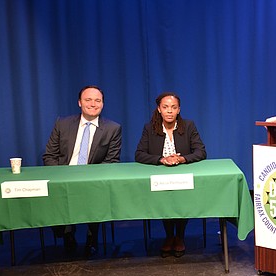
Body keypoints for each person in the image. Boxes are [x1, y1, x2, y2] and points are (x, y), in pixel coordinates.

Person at [42, 85, 122, 257]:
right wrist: (61, 176)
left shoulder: (112, 128)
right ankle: (67, 234)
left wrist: (88, 177)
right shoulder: (62, 124)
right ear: (79, 103)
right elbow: (49, 155)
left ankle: (92, 238)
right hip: (63, 176)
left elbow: (112, 161)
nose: (93, 104)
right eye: (88, 100)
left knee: (95, 192)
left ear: (102, 104)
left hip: (93, 179)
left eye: (97, 100)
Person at [135, 92, 206, 257]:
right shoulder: (149, 128)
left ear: (178, 110)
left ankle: (180, 236)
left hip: (183, 176)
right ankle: (169, 236)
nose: (169, 111)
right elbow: (139, 154)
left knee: (181, 198)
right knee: (165, 198)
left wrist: (182, 159)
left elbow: (201, 151)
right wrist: (161, 159)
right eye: (165, 107)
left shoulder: (188, 126)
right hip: (160, 176)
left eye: (173, 107)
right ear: (159, 109)